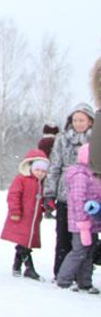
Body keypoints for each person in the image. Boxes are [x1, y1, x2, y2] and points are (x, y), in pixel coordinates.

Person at [43, 103, 95, 278]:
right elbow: (54, 167)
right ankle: (61, 273)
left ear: (91, 121)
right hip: (65, 195)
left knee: (87, 238)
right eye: (75, 120)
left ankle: (82, 276)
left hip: (90, 197)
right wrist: (49, 194)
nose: (78, 123)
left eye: (82, 120)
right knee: (63, 236)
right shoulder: (62, 139)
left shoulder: (96, 140)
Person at [56, 144, 101, 292]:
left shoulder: (93, 174)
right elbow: (78, 200)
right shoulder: (80, 175)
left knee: (88, 252)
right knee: (79, 251)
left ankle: (85, 282)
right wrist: (83, 222)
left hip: (92, 222)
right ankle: (64, 280)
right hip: (81, 223)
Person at [1, 149, 50, 280]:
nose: (40, 173)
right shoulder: (22, 180)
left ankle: (17, 266)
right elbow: (13, 195)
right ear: (31, 167)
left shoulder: (43, 184)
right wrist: (15, 211)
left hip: (34, 220)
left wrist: (47, 207)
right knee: (24, 243)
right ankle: (29, 268)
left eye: (43, 171)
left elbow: (44, 200)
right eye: (38, 170)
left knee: (25, 243)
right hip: (22, 217)